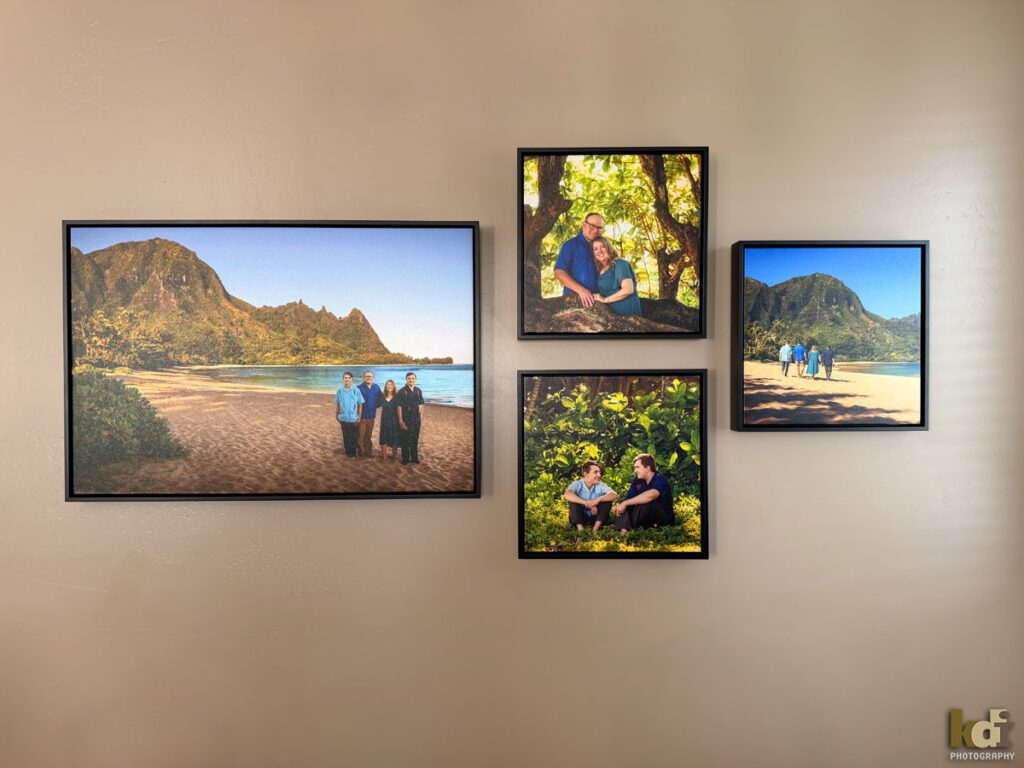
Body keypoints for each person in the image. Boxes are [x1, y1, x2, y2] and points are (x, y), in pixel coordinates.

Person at [553, 212, 605, 308]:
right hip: (575, 302)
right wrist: (581, 290)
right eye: (592, 226)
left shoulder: (602, 247)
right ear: (584, 224)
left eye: (599, 228)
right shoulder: (570, 245)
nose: (595, 230)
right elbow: (559, 272)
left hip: (600, 302)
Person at [614, 454, 675, 534]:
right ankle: (623, 530)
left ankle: (629, 527)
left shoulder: (660, 479)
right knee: (625, 502)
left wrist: (626, 503)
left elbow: (652, 494)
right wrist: (623, 504)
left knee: (646, 501)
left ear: (647, 468)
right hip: (644, 517)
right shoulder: (638, 481)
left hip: (662, 518)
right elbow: (629, 499)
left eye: (637, 467)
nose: (635, 471)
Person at [563, 461, 618, 535]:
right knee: (573, 500)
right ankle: (580, 530)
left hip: (595, 517)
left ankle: (595, 530)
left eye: (599, 472)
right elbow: (567, 494)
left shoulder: (600, 485)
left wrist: (597, 500)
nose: (599, 475)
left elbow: (614, 494)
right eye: (595, 472)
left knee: (607, 500)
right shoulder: (577, 484)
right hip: (580, 517)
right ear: (586, 474)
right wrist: (586, 503)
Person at [591, 236, 641, 316]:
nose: (599, 251)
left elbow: (628, 290)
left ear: (609, 248)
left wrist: (605, 300)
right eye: (595, 249)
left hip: (628, 316)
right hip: (611, 316)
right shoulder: (598, 270)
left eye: (603, 247)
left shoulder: (620, 263)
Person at [396, 371, 425, 465]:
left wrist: (420, 418)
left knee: (414, 439)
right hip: (406, 419)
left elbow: (421, 405)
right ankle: (405, 459)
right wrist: (400, 421)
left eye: (413, 378)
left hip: (416, 419)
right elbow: (399, 406)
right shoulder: (401, 391)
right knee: (405, 439)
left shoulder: (418, 390)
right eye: (409, 378)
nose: (411, 380)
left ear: (415, 380)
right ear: (406, 379)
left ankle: (414, 458)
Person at [334, 371, 364, 458]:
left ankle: (353, 454)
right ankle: (348, 453)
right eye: (345, 378)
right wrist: (336, 414)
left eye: (349, 378)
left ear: (352, 379)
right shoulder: (339, 391)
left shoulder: (356, 390)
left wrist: (359, 417)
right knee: (346, 437)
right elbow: (338, 404)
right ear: (343, 379)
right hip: (343, 418)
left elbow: (360, 404)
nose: (347, 379)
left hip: (353, 418)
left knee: (353, 437)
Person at [356, 370, 382, 458]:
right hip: (362, 416)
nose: (368, 378)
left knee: (369, 435)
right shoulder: (359, 388)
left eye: (370, 376)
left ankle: (368, 452)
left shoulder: (376, 387)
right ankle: (361, 453)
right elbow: (355, 402)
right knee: (361, 435)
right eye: (367, 376)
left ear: (373, 378)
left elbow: (380, 399)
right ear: (364, 378)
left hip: (372, 416)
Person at [377, 379, 401, 460]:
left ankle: (393, 456)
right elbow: (376, 404)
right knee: (384, 437)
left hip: (395, 420)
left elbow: (400, 408)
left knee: (395, 437)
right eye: (388, 385)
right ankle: (384, 456)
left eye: (391, 385)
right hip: (384, 420)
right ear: (386, 386)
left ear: (394, 386)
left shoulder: (397, 396)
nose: (389, 386)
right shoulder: (382, 396)